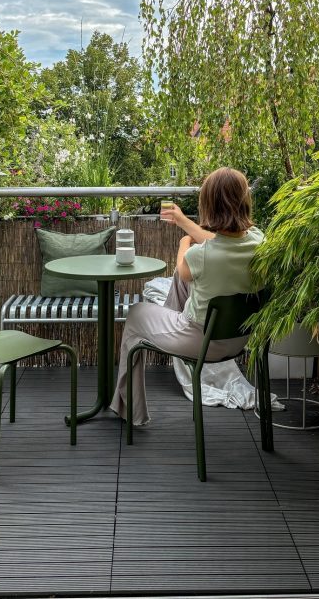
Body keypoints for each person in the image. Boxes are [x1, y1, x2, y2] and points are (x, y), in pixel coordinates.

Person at [110, 167, 264, 425]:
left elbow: (184, 268)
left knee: (136, 314)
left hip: (201, 341)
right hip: (239, 339)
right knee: (182, 285)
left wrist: (183, 244)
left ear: (208, 205)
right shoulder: (259, 241)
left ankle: (129, 409)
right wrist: (185, 223)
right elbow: (221, 244)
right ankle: (169, 323)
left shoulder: (199, 256)